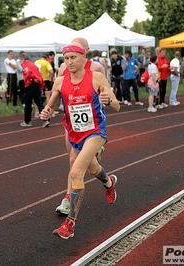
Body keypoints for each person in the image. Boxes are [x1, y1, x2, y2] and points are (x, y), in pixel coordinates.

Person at [40, 42, 120, 239]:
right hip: (75, 133)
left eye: (73, 58)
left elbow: (117, 106)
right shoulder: (60, 81)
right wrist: (46, 112)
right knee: (93, 169)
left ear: (84, 58)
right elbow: (50, 105)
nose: (69, 62)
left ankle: (70, 224)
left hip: (95, 132)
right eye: (66, 59)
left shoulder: (96, 77)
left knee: (76, 171)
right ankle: (109, 183)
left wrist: (108, 101)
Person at [55, 37, 106, 215]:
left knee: (73, 160)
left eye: (77, 51)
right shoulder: (63, 69)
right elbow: (57, 90)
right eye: (68, 54)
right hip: (71, 122)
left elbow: (105, 92)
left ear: (85, 52)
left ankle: (68, 198)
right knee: (71, 158)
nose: (70, 58)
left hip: (92, 122)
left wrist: (104, 99)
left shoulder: (97, 69)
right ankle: (96, 158)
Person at [19, 53, 50, 128]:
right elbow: (39, 75)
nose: (20, 62)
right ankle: (46, 120)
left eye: (20, 60)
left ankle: (27, 121)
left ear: (23, 59)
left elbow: (28, 73)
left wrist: (32, 78)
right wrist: (41, 85)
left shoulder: (25, 65)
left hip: (30, 85)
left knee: (28, 104)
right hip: (37, 85)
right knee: (39, 103)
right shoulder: (33, 65)